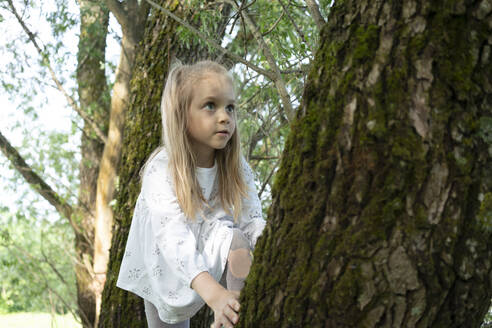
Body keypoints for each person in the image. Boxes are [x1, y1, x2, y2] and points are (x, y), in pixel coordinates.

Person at [116, 60, 266, 328]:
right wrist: (213, 294)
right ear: (182, 114)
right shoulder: (162, 168)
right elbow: (173, 239)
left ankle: (235, 314)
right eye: (211, 105)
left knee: (237, 241)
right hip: (165, 258)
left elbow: (252, 219)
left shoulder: (235, 165)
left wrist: (270, 241)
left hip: (213, 246)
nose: (225, 117)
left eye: (230, 107)